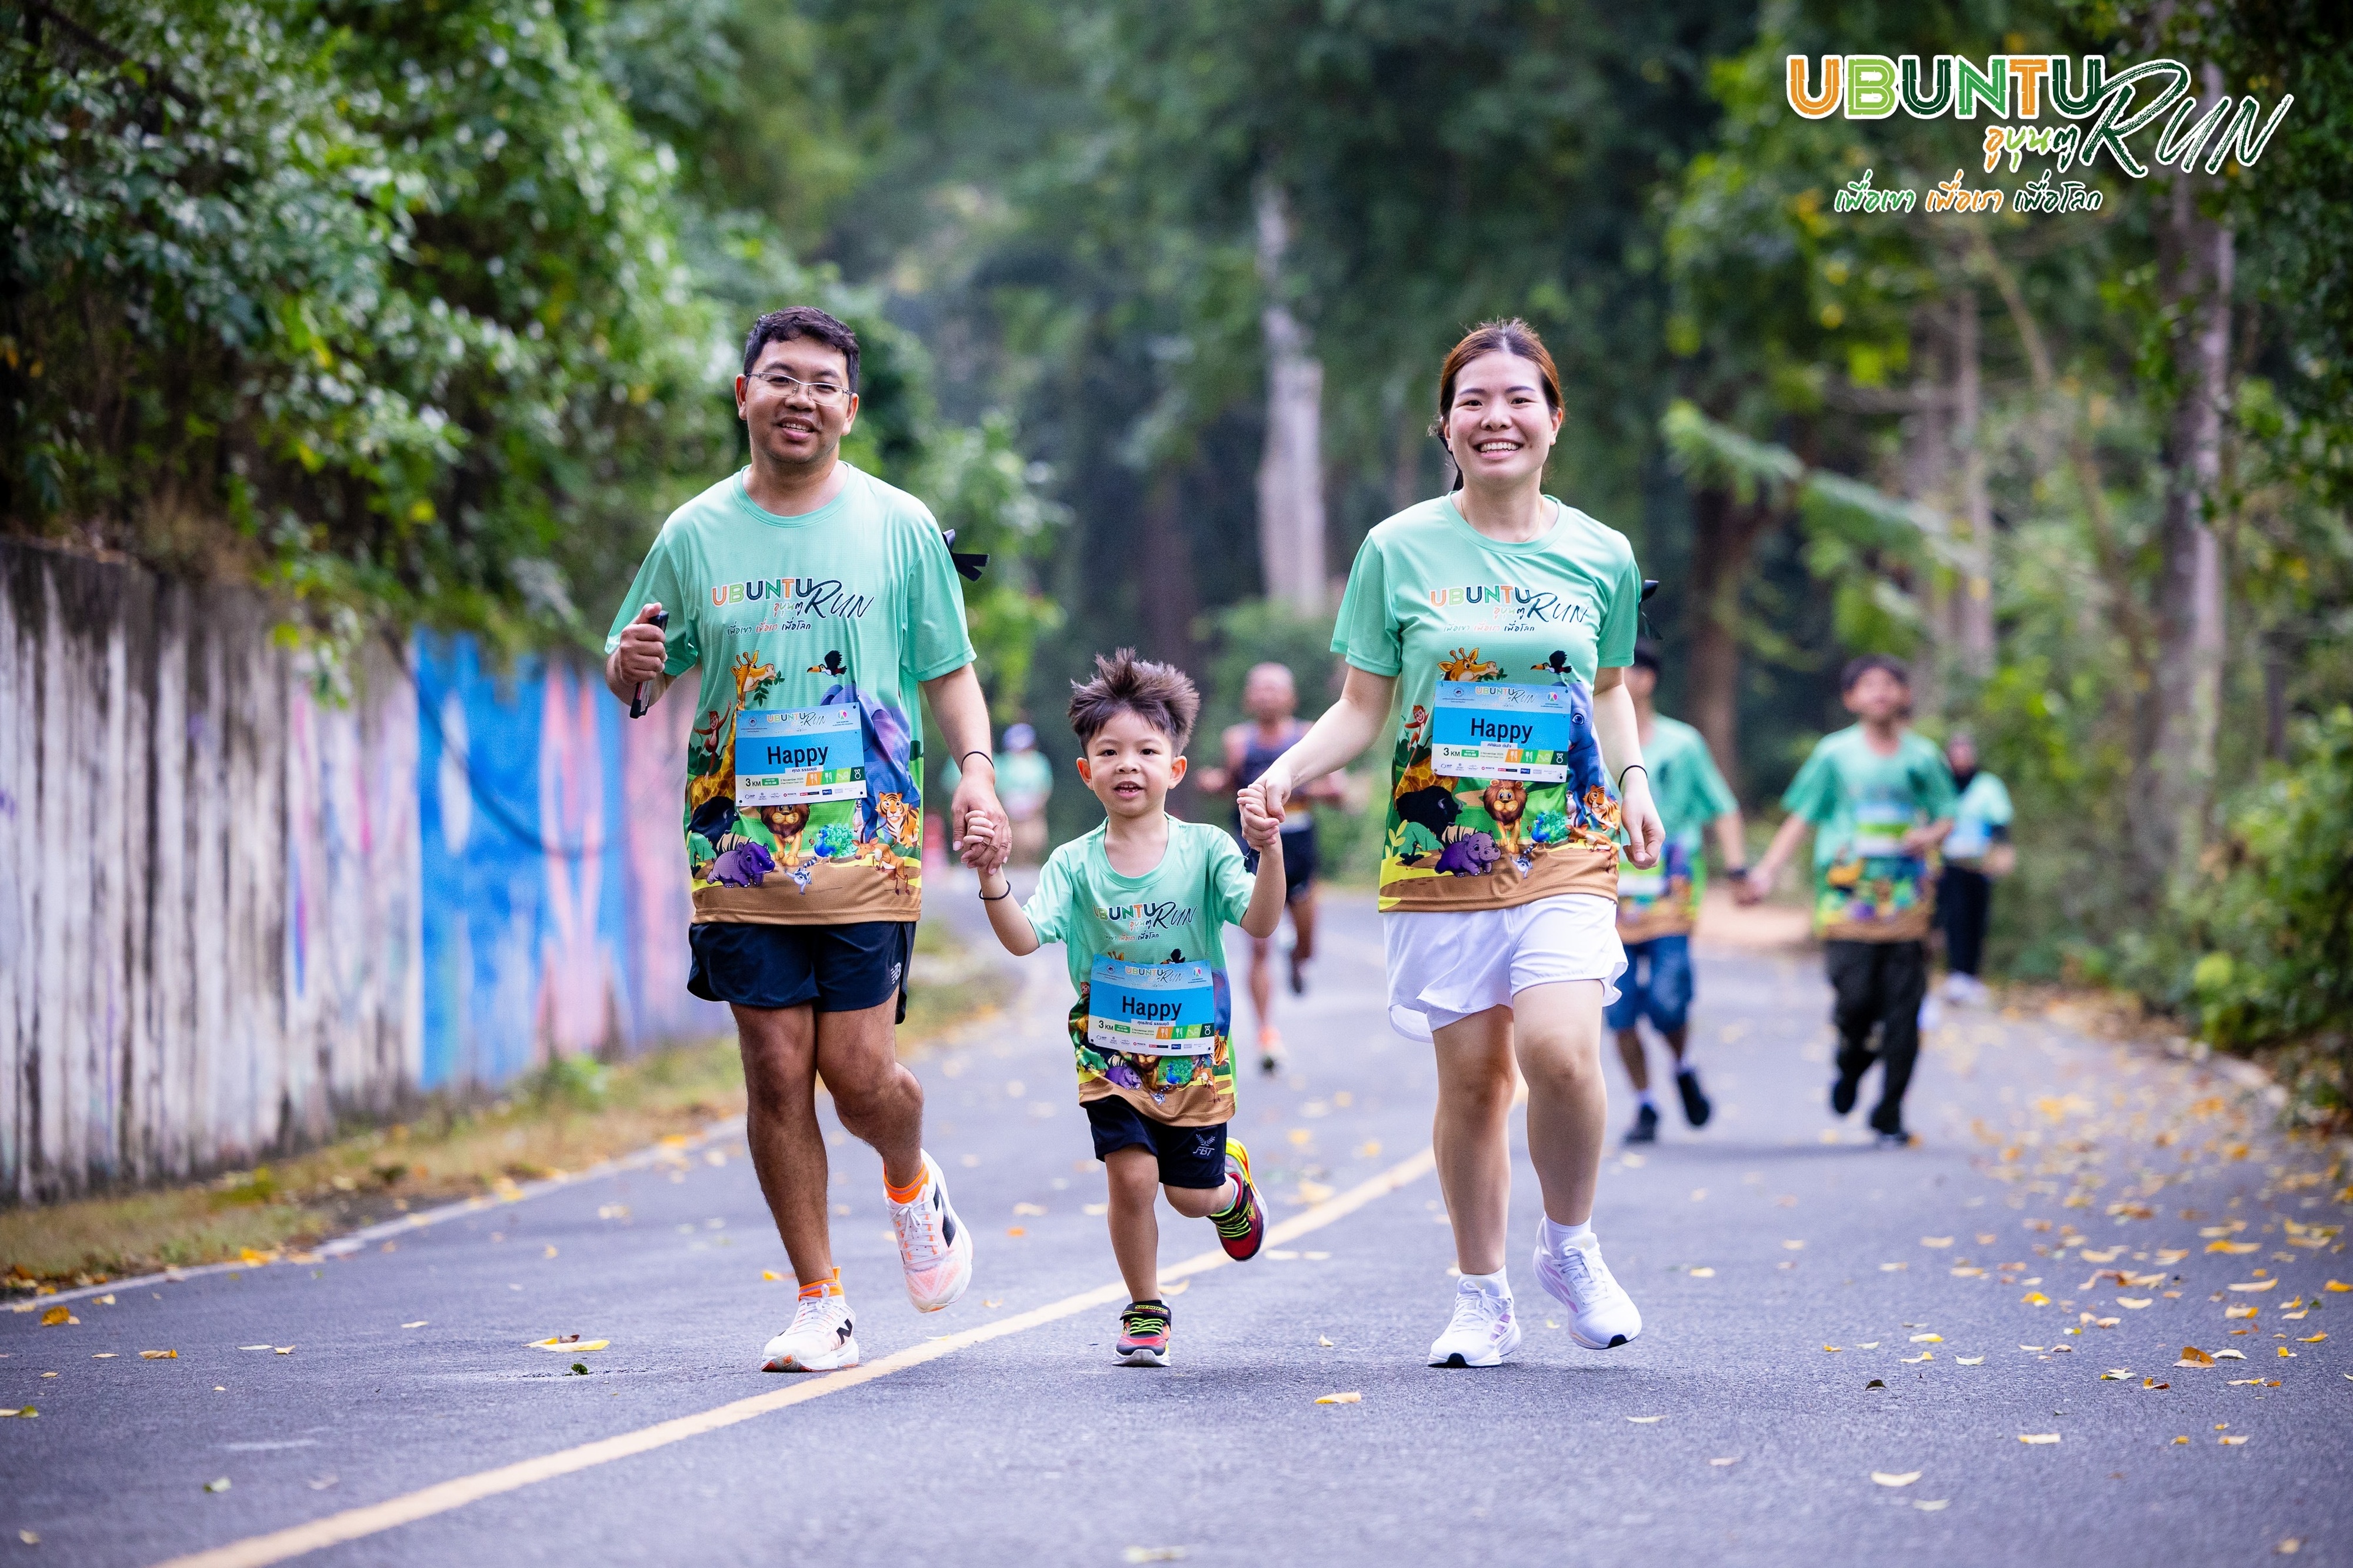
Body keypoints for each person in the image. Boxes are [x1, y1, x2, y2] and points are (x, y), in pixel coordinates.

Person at [1242, 318, 1665, 1369]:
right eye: (1473, 401)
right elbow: (1362, 705)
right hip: (1443, 848)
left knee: (1560, 1051)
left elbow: (1609, 689)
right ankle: (1483, 1296)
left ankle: (1570, 1245)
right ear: (1446, 426)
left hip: (1565, 837)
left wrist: (1635, 781)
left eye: (1519, 399)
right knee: (1473, 1081)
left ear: (1555, 420)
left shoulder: (1602, 553)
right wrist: (1287, 770)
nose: (1496, 417)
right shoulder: (1397, 548)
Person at [604, 306, 1009, 1373]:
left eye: (824, 384)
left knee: (860, 1074)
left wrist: (976, 772)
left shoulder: (898, 526)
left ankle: (912, 1182)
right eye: (781, 378)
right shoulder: (694, 533)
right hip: (738, 849)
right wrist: (630, 667)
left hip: (868, 843)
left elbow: (949, 671)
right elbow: (639, 664)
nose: (801, 399)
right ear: (744, 395)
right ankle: (821, 1299)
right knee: (778, 1073)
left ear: (850, 408)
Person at [959, 650, 1279, 1366]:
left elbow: (1260, 921)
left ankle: (1228, 1190)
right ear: (1085, 770)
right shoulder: (1073, 863)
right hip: (1110, 1056)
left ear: (1175, 767)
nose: (1127, 764)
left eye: (1146, 750)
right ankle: (1145, 1306)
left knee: (1188, 1197)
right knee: (1131, 1177)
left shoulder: (1206, 850)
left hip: (1194, 1059)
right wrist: (990, 875)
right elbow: (1023, 938)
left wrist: (1270, 850)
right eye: (1108, 751)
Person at [1744, 654, 1956, 1147]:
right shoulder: (1834, 755)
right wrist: (1766, 872)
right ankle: (1853, 1057)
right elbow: (1801, 816)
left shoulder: (1924, 757)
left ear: (1905, 695)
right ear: (1850, 698)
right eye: (1869, 684)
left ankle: (1890, 1113)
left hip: (1906, 901)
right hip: (1847, 900)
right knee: (1854, 1001)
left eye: (1890, 683)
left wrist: (1928, 836)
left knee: (1904, 1013)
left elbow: (1947, 813)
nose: (1880, 692)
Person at [1609, 639, 1747, 1145]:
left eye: (1630, 669)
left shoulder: (1683, 745)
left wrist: (1737, 868)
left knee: (1668, 1001)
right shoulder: (1589, 740)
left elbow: (1722, 807)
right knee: (1618, 1009)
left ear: (1648, 679)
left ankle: (1683, 1065)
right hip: (1607, 892)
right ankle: (1645, 1102)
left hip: (1670, 888)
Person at [1190, 661, 1344, 1074]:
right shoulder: (1237, 741)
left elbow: (1336, 790)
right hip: (1254, 851)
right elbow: (1229, 784)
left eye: (1275, 689)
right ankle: (1266, 1034)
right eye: (1260, 688)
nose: (1267, 695)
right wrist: (1212, 783)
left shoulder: (1308, 736)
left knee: (1308, 945)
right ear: (1248, 697)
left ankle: (1297, 959)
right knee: (1258, 944)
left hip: (1299, 851)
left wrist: (1303, 789)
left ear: (1291, 697)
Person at [1936, 730, 2011, 1005]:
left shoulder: (1988, 786)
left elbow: (2001, 825)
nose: (1960, 757)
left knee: (1978, 919)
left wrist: (2002, 854)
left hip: (1980, 865)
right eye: (1956, 752)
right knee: (1953, 918)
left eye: (1965, 751)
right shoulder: (1941, 785)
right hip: (1949, 864)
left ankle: (1972, 976)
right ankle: (1956, 974)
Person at [994, 721, 1055, 866]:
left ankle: (1031, 865)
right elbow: (1000, 787)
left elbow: (1045, 787)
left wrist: (1037, 804)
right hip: (1010, 809)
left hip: (1035, 809)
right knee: (1012, 839)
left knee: (1035, 840)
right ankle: (1016, 866)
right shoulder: (1005, 762)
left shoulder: (1039, 761)